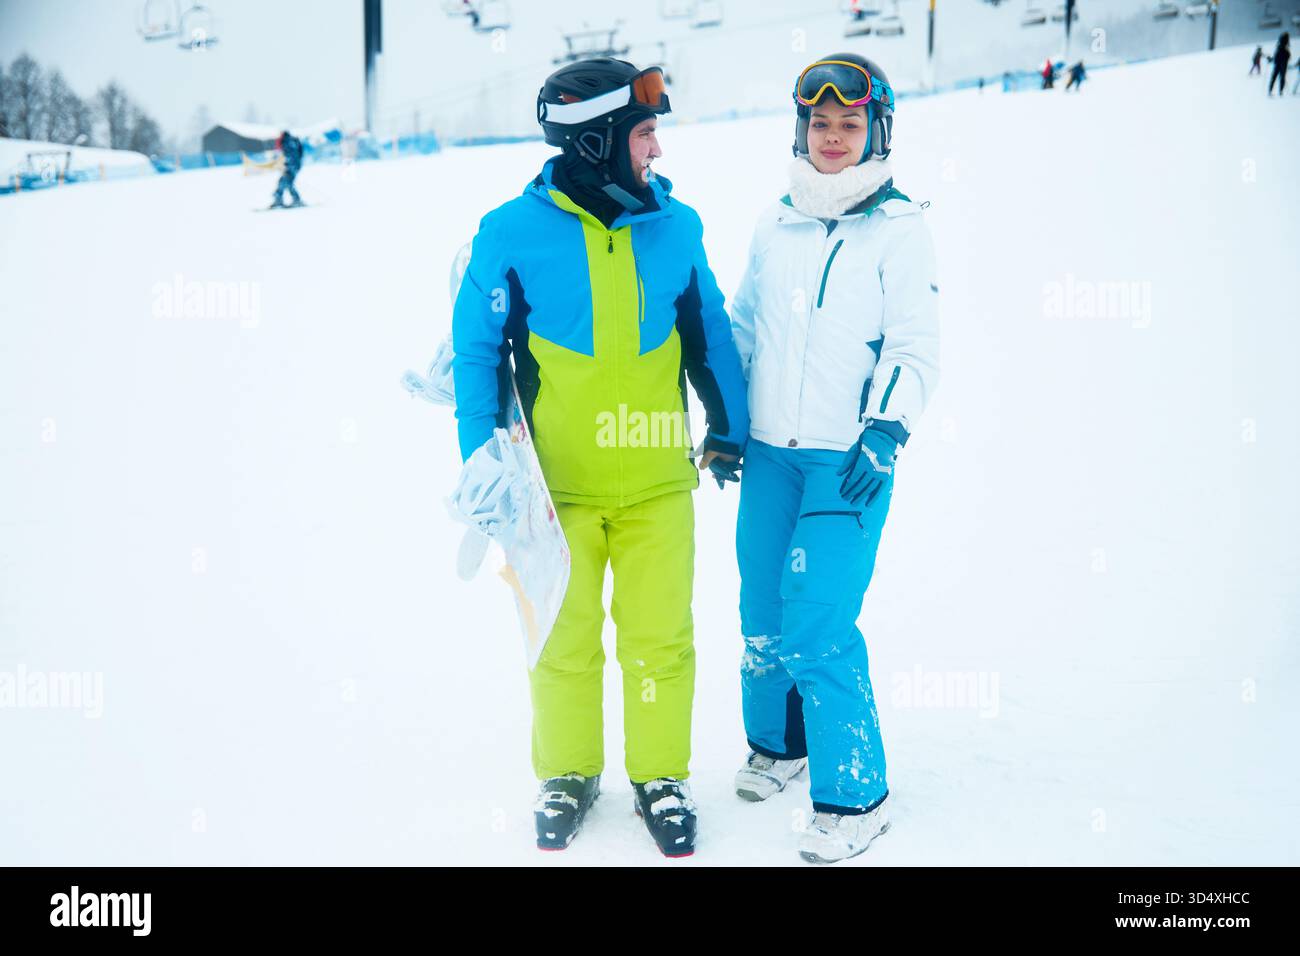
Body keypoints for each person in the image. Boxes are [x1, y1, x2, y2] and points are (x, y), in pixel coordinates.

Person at [450, 58, 749, 857]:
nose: (657, 149)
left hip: (656, 478)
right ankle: (569, 773)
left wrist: (729, 427)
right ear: (597, 144)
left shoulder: (674, 227)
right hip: (556, 492)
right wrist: (479, 452)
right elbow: (476, 349)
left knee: (661, 640)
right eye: (645, 133)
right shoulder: (510, 233)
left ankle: (661, 777)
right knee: (562, 637)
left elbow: (708, 332)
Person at [728, 53, 939, 864]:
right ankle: (779, 747)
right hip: (770, 456)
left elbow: (918, 348)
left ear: (875, 131)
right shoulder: (775, 222)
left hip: (845, 458)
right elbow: (745, 328)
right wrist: (723, 419)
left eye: (850, 124)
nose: (833, 136)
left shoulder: (899, 229)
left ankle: (857, 794)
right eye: (820, 123)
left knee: (817, 622)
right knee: (762, 612)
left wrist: (885, 430)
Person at [271, 129, 303, 207]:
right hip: (293, 166)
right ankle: (279, 199)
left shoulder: (287, 142)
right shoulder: (290, 141)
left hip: (291, 166)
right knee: (283, 182)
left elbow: (291, 155)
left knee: (287, 183)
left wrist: (287, 165)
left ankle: (295, 200)